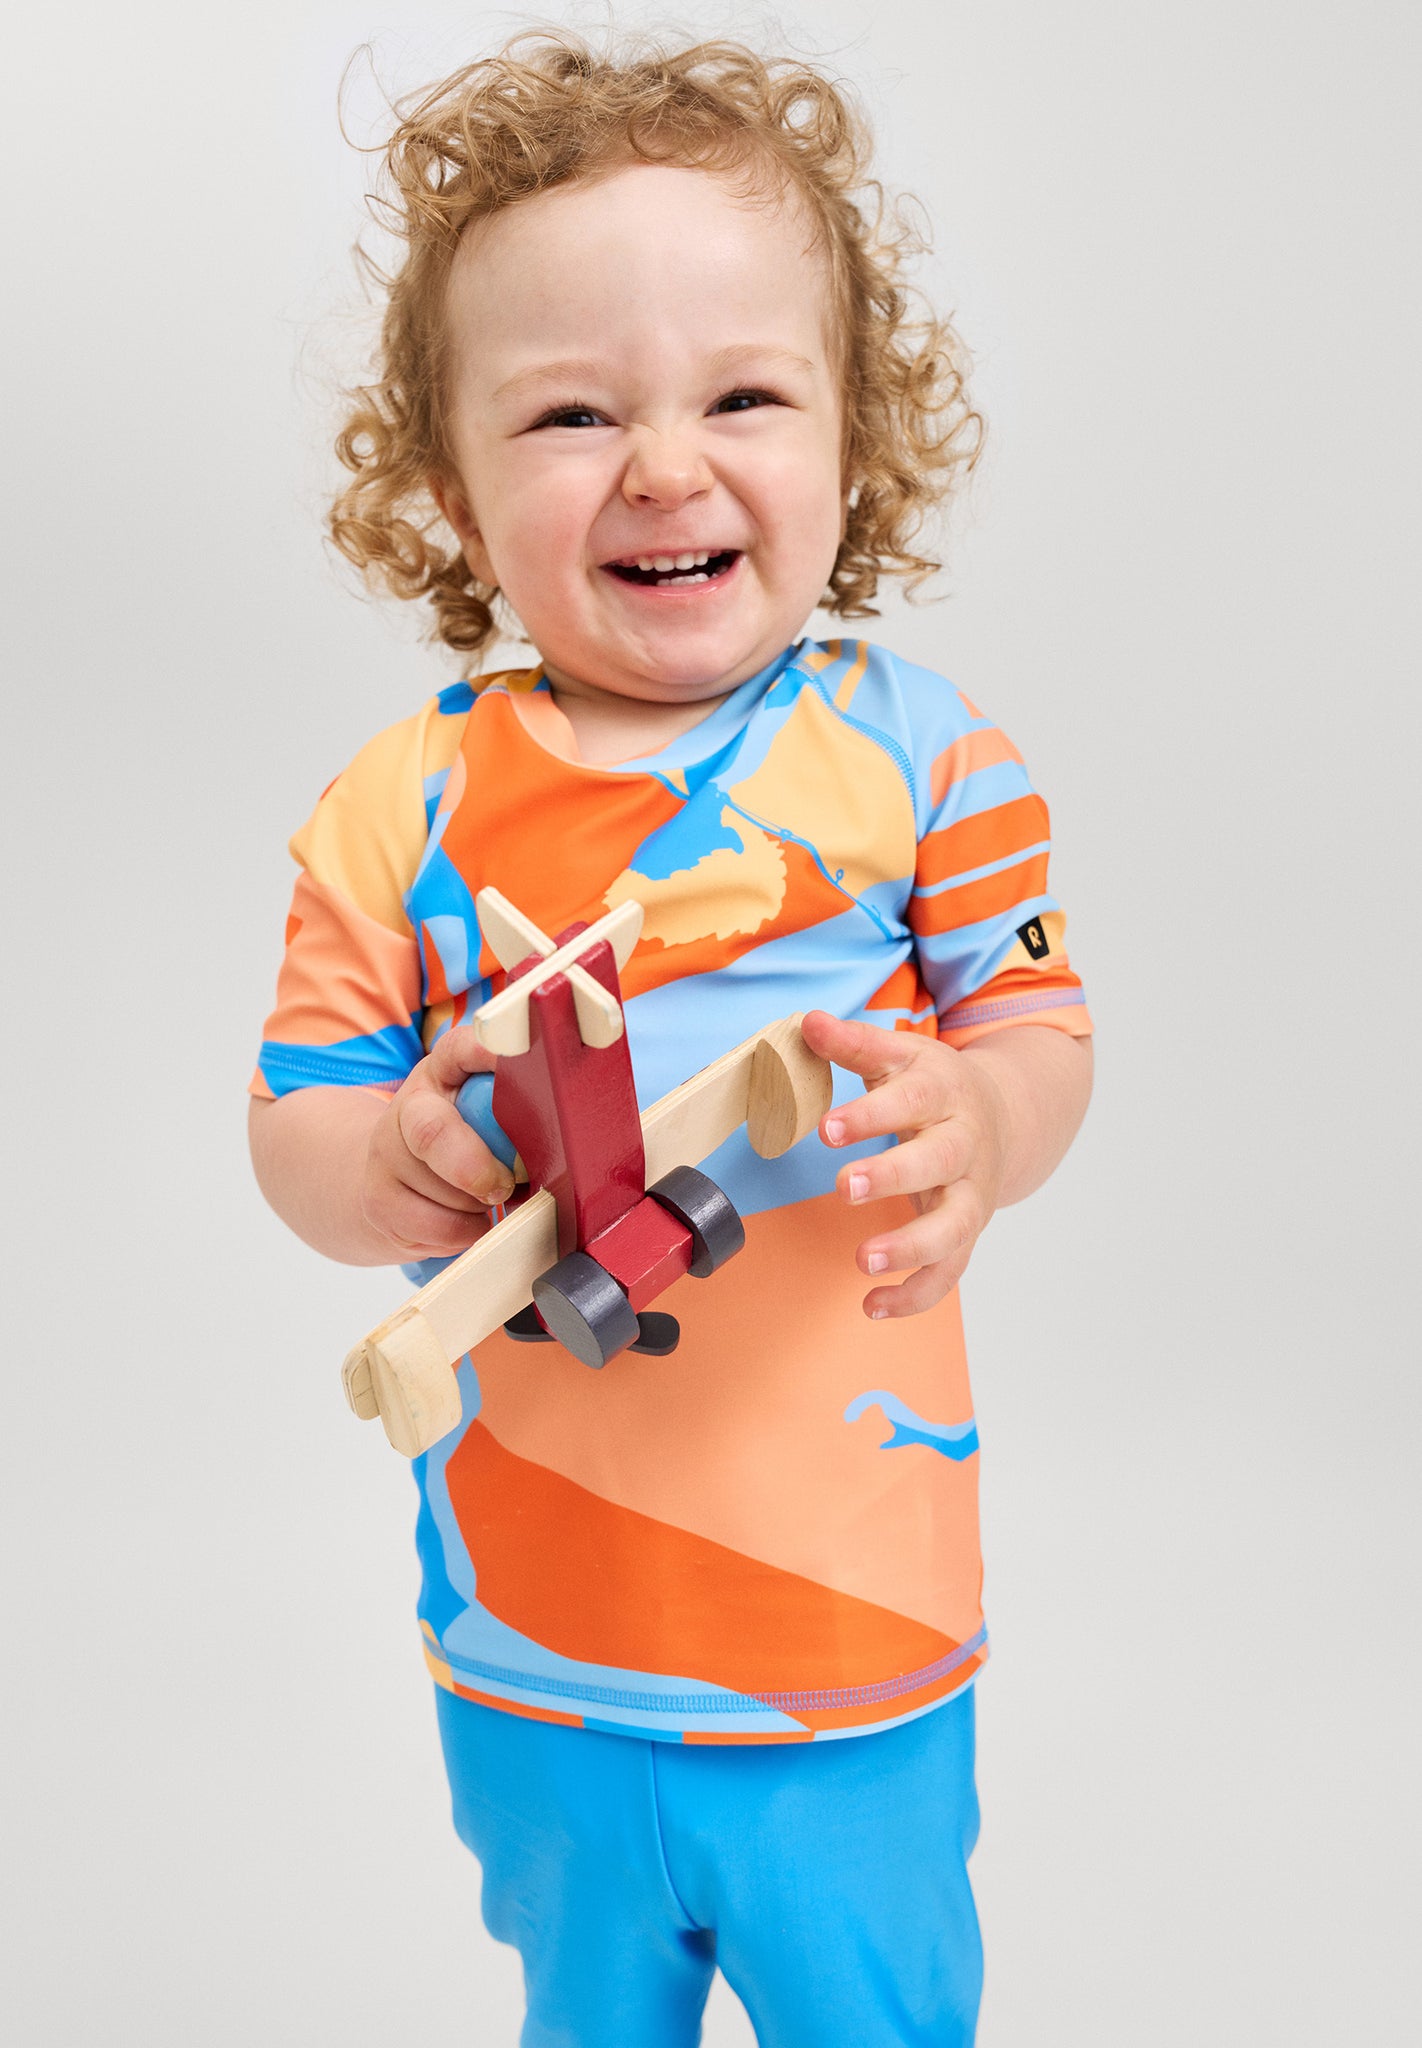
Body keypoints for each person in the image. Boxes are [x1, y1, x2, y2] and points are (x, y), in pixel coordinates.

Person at [249, 31, 1093, 2047]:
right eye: (570, 412)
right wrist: (387, 1165)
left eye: (743, 396)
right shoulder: (401, 803)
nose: (661, 463)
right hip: (531, 1645)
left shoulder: (926, 760)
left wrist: (984, 1117)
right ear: (451, 493)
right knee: (584, 2009)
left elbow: (1038, 1026)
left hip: (846, 1645)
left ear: (853, 439)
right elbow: (298, 1120)